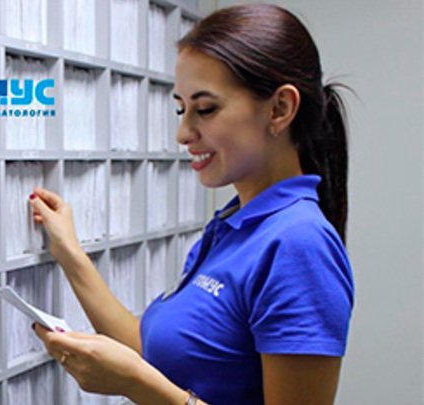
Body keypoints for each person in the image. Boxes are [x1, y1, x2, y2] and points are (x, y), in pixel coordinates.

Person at [28, 3, 355, 404]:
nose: (183, 133)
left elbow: (149, 378)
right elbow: (159, 355)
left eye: (205, 109)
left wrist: (135, 383)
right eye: (181, 109)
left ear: (280, 108)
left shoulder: (298, 245)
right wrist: (69, 254)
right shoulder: (233, 226)